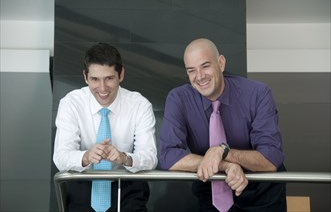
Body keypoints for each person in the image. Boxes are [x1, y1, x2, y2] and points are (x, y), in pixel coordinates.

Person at [159, 38, 286, 212]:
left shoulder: (257, 93)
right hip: (211, 190)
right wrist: (225, 165)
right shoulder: (178, 99)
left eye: (205, 66)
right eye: (191, 70)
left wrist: (222, 151)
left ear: (221, 63)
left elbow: (271, 158)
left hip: (262, 193)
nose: (200, 76)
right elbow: (168, 156)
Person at [53, 42, 158, 212]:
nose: (102, 88)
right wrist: (86, 157)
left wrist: (124, 158)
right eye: (95, 79)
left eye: (109, 78)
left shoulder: (140, 105)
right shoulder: (71, 103)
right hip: (83, 185)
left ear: (121, 74)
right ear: (85, 77)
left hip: (128, 189)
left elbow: (150, 157)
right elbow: (61, 156)